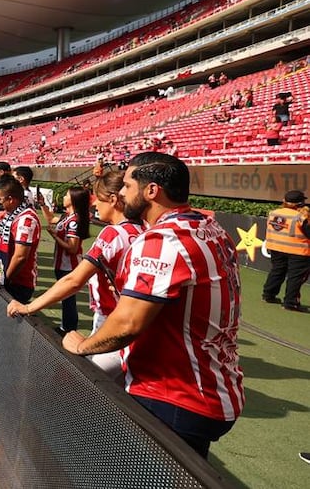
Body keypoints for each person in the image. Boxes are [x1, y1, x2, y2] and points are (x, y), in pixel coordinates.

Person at [62, 152, 243, 458]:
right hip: (215, 386)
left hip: (174, 392)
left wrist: (83, 345)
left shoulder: (163, 240)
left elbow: (128, 324)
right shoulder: (214, 230)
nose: (120, 193)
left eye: (128, 185)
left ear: (151, 190)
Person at [7, 171, 144, 372]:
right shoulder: (144, 230)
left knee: (91, 377)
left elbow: (74, 280)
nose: (95, 204)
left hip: (110, 318)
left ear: (114, 200)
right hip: (131, 320)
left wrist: (29, 307)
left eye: (99, 198)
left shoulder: (113, 233)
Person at [39, 186, 92, 333]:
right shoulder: (67, 216)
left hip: (69, 265)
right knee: (66, 298)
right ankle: (67, 325)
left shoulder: (74, 221)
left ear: (73, 199)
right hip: (62, 263)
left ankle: (68, 328)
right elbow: (50, 218)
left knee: (68, 298)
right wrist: (43, 204)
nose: (63, 197)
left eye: (67, 195)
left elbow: (72, 248)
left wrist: (55, 235)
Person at [0, 175, 42, 303]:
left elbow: (20, 256)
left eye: (0, 199)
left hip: (18, 282)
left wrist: (6, 278)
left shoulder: (26, 219)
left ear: (10, 199)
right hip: (5, 274)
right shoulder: (10, 214)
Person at [261, 189, 310, 311]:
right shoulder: (301, 216)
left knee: (277, 271)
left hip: (276, 248)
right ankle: (290, 303)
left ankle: (268, 295)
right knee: (295, 277)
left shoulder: (273, 213)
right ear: (300, 204)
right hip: (298, 251)